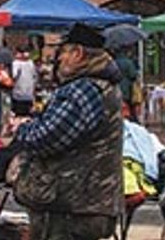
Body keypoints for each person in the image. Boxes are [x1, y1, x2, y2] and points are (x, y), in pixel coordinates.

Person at [13, 24, 124, 240]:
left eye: (63, 52)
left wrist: (22, 129)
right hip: (89, 203)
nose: (59, 59)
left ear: (78, 53)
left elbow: (47, 138)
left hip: (72, 206)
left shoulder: (84, 90)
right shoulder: (102, 85)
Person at [10, 46, 38, 117]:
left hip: (18, 95)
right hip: (29, 95)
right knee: (28, 116)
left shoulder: (16, 63)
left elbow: (13, 76)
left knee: (19, 116)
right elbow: (35, 77)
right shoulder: (31, 63)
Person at [113, 47, 140, 121]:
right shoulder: (128, 62)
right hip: (127, 88)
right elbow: (133, 75)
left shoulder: (113, 62)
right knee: (128, 105)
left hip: (116, 87)